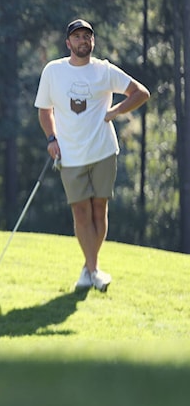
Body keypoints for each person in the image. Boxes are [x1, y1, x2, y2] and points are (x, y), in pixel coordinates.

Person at [34, 18, 150, 292]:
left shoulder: (104, 71)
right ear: (68, 43)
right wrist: (51, 138)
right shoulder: (53, 71)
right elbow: (44, 110)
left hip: (103, 152)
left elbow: (140, 93)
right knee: (81, 213)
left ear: (92, 42)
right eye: (77, 37)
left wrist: (116, 111)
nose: (82, 41)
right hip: (71, 155)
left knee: (100, 210)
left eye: (87, 37)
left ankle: (90, 269)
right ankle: (93, 269)